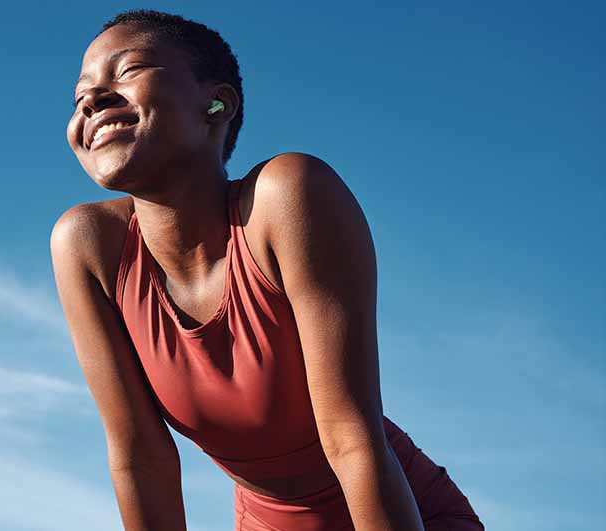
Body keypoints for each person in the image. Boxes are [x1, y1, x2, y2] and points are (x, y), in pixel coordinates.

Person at [50, 9, 484, 531]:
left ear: (217, 105)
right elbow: (141, 458)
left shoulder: (287, 197)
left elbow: (351, 438)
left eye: (127, 71)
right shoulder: (88, 246)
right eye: (80, 96)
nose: (93, 100)